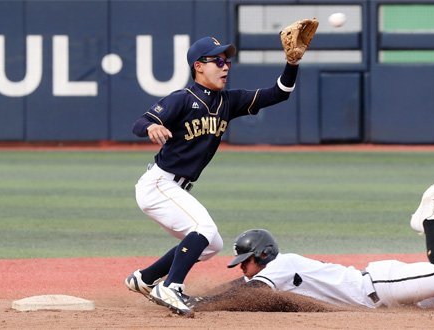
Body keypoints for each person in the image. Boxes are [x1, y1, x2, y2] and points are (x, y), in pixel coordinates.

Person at [124, 19, 318, 316]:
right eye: (217, 60)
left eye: (227, 60)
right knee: (203, 228)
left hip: (174, 187)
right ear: (198, 66)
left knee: (210, 244)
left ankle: (146, 278)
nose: (225, 65)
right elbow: (140, 122)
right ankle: (171, 287)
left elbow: (279, 93)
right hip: (159, 184)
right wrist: (151, 128)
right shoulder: (182, 99)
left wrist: (291, 63)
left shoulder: (229, 101)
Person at [188, 182, 434, 312]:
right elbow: (251, 294)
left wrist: (201, 303)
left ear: (263, 255)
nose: (243, 267)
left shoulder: (279, 265)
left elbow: (244, 291)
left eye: (246, 261)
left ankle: (428, 220)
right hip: (382, 295)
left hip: (377, 284)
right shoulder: (277, 275)